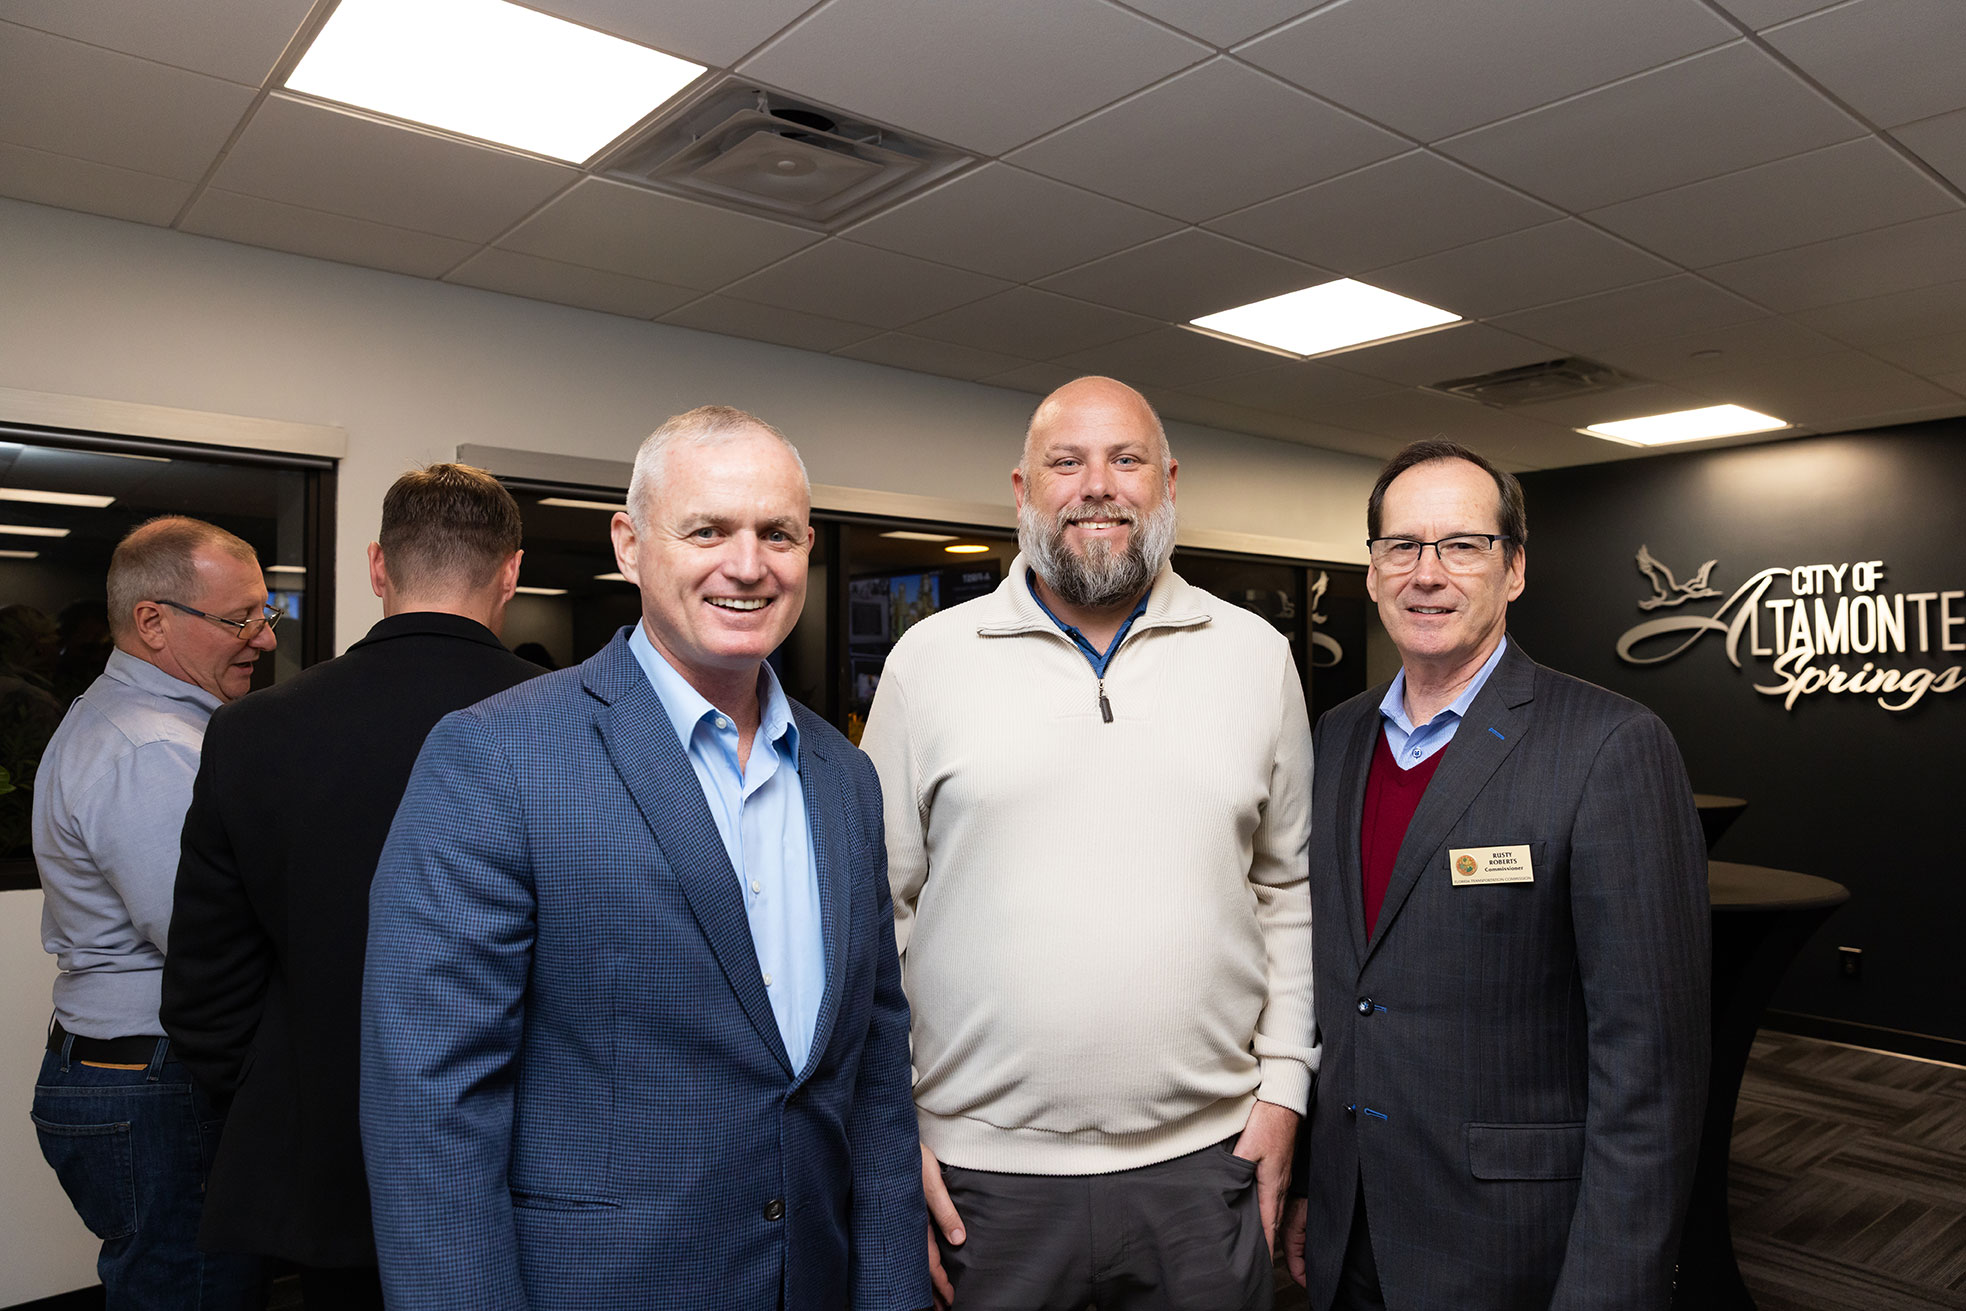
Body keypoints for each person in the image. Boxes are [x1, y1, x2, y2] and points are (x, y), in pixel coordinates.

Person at [361, 407, 929, 1311]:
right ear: (628, 544)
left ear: (807, 549)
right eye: (707, 529)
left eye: (775, 533)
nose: (747, 564)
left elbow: (873, 1080)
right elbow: (431, 1112)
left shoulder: (843, 777)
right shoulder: (499, 755)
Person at [861, 376, 1315, 1311]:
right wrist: (888, 1127)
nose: (1096, 485)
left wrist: (1283, 1092)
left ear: (1170, 482)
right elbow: (870, 914)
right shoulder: (928, 662)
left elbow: (1291, 890)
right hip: (980, 1181)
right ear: (1023, 491)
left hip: (1205, 1170)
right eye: (1066, 462)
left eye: (1126, 459)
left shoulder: (1255, 656)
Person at [1281, 439, 1710, 1310]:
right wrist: (1315, 1188)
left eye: (1461, 545)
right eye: (1401, 546)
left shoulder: (1611, 746)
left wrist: (1611, 1285)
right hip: (1352, 1226)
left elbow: (1649, 1067)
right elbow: (1343, 986)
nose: (1425, 573)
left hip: (1516, 1248)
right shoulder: (1336, 738)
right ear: (1370, 572)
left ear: (1513, 568)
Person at [160, 464, 539, 1309]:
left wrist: (302, 1089)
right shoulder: (573, 725)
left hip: (327, 1167)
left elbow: (203, 994)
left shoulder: (252, 732)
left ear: (377, 566)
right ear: (511, 571)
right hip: (525, 1165)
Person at [31, 516, 274, 1309]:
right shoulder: (152, 748)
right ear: (152, 621)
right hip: (153, 1081)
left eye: (266, 615)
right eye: (240, 617)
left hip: (129, 1071)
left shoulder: (139, 724)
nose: (263, 639)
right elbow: (200, 933)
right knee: (193, 1292)